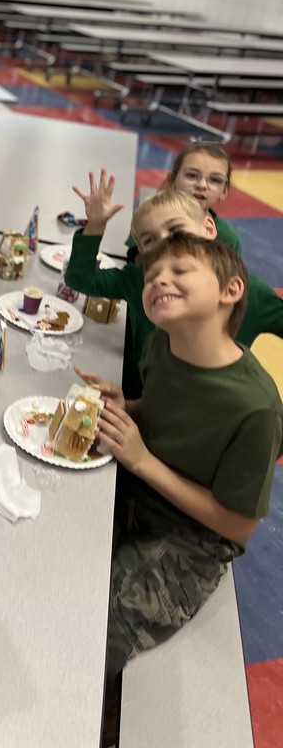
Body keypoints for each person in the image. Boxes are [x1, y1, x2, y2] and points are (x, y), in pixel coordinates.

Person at [77, 233, 283, 745]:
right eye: (151, 276)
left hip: (192, 541)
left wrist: (143, 462)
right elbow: (161, 408)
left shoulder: (256, 407)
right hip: (140, 486)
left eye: (179, 271)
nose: (158, 280)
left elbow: (236, 526)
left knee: (84, 632)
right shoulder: (164, 345)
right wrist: (129, 410)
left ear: (231, 290)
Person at [65, 174, 283, 395]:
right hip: (140, 396)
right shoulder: (141, 281)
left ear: (208, 228)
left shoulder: (249, 293)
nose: (165, 243)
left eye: (176, 231)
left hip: (212, 412)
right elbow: (80, 278)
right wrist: (95, 226)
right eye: (150, 240)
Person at [125, 140, 240, 257]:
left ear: (224, 190)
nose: (202, 185)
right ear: (172, 180)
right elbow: (134, 262)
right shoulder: (150, 218)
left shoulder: (228, 238)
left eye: (215, 179)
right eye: (191, 175)